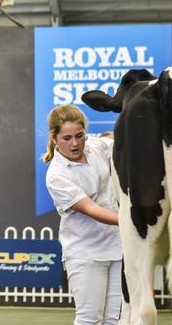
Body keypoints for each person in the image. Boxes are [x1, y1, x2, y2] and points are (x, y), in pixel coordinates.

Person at [42, 104, 122, 325]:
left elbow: (121, 137)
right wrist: (132, 221)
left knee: (115, 320)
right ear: (55, 138)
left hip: (118, 249)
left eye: (80, 135)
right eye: (67, 138)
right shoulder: (56, 175)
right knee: (89, 320)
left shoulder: (96, 147)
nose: (75, 143)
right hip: (85, 254)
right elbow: (91, 210)